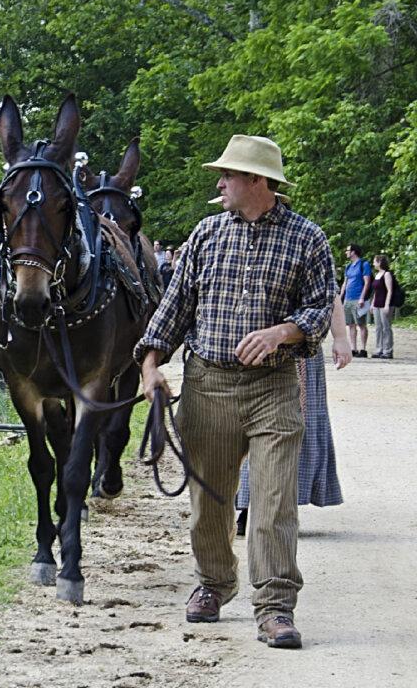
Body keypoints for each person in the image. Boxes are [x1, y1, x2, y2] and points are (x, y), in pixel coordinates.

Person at [136, 134, 335, 650]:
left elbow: (319, 308)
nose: (220, 183)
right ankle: (214, 583)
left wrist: (283, 332)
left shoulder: (308, 238)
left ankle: (274, 607)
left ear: (257, 180)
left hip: (274, 386)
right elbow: (174, 308)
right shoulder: (205, 234)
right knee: (210, 501)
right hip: (209, 385)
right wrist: (151, 365)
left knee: (273, 503)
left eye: (227, 174)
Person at [236, 294, 350, 535]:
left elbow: (330, 294)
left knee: (291, 429)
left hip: (299, 352)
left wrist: (341, 338)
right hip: (248, 343)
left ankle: (278, 509)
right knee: (244, 427)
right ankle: (246, 505)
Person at [340, 243, 372, 357]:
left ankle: (363, 349)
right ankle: (353, 349)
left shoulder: (364, 264)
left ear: (353, 252)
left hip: (358, 298)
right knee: (350, 324)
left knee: (361, 324)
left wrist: (362, 297)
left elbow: (367, 282)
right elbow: (345, 283)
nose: (346, 252)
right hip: (348, 299)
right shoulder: (348, 266)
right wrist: (340, 298)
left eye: (347, 250)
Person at [370, 254, 397, 359]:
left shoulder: (387, 274)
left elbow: (389, 290)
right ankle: (379, 349)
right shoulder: (377, 274)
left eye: (374, 261)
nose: (373, 263)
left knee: (386, 327)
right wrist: (372, 304)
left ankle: (388, 350)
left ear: (380, 262)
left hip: (384, 304)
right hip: (376, 304)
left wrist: (387, 305)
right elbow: (376, 292)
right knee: (378, 328)